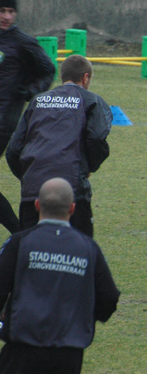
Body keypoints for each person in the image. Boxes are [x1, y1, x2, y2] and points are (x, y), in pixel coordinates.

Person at [0, 177, 120, 374]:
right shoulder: (88, 248)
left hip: (23, 348)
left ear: (37, 206)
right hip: (68, 354)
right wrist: (80, 315)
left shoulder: (20, 242)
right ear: (73, 209)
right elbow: (108, 300)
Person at [6, 55, 111, 238]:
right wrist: (89, 166)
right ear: (85, 78)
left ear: (63, 77)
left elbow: (14, 149)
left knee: (32, 252)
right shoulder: (92, 100)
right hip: (71, 187)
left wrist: (28, 175)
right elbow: (96, 138)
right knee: (79, 251)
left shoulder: (38, 101)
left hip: (33, 189)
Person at [0, 0, 55, 235]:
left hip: (3, 121)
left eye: (12, 11)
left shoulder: (22, 42)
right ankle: (23, 233)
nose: (7, 16)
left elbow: (47, 70)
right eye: (2, 10)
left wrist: (29, 91)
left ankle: (21, 233)